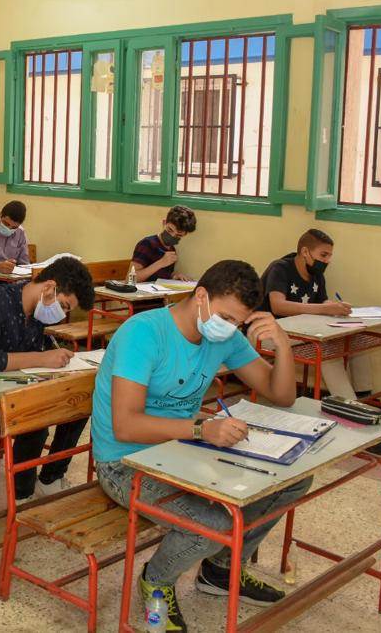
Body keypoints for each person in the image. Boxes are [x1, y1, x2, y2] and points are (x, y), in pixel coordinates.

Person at [93, 260, 307, 632]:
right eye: (226, 318)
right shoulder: (143, 333)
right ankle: (156, 580)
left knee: (292, 480)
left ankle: (220, 570)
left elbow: (282, 394)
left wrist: (284, 345)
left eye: (238, 322)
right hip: (124, 463)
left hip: (182, 449)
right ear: (201, 296)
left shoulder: (223, 335)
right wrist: (201, 430)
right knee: (214, 523)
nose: (230, 328)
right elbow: (125, 426)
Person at [0, 257, 95, 500]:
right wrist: (41, 359)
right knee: (34, 419)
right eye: (64, 306)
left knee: (77, 400)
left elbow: (26, 361)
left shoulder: (36, 313)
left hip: (4, 388)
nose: (61, 314)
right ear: (49, 287)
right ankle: (22, 497)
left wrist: (54, 363)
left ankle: (51, 478)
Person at [259, 228, 371, 400]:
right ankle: (349, 405)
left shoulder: (316, 274)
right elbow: (278, 306)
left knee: (355, 336)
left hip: (298, 331)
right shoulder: (280, 268)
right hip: (266, 332)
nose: (327, 261)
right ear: (305, 252)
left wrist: (335, 306)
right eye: (323, 255)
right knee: (326, 349)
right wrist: (324, 309)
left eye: (329, 256)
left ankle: (364, 395)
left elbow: (321, 302)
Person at [131, 205, 197, 283]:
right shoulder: (147, 244)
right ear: (164, 223)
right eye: (169, 230)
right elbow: (131, 279)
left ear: (184, 235)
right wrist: (161, 263)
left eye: (178, 235)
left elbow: (161, 275)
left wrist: (174, 275)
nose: (172, 236)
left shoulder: (171, 249)